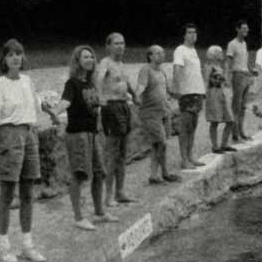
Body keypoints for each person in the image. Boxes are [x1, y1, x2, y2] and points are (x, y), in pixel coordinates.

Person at [0, 39, 46, 262]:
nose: (16, 58)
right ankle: (5, 247)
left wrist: (54, 111)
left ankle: (27, 244)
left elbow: (36, 105)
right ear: (4, 59)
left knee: (27, 192)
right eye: (11, 54)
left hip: (29, 135)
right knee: (7, 192)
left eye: (19, 53)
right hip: (9, 136)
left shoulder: (27, 81)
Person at [54, 45, 107, 230]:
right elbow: (65, 101)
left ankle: (99, 212)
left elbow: (96, 106)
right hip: (78, 135)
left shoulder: (90, 83)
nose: (90, 60)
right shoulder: (72, 83)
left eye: (91, 57)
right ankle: (78, 217)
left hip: (92, 133)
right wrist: (55, 112)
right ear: (77, 61)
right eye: (85, 57)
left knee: (99, 172)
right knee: (79, 174)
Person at [94, 33, 139, 204]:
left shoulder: (122, 65)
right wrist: (99, 99)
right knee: (112, 152)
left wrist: (135, 96)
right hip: (111, 107)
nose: (120, 46)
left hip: (123, 106)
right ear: (108, 46)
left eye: (122, 43)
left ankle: (120, 191)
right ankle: (108, 195)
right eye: (117, 43)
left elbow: (126, 84)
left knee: (122, 153)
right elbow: (98, 79)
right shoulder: (106, 63)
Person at [136, 45, 178, 184]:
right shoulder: (146, 70)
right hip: (150, 113)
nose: (161, 55)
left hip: (164, 112)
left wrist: (177, 95)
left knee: (158, 144)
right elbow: (141, 87)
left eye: (162, 52)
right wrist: (137, 96)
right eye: (157, 53)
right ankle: (156, 174)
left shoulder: (162, 71)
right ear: (150, 56)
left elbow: (166, 89)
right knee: (162, 142)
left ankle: (160, 174)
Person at [171, 24, 206, 168]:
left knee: (193, 126)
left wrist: (202, 91)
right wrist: (177, 87)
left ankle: (190, 155)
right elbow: (177, 69)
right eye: (189, 32)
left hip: (197, 92)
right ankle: (184, 158)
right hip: (187, 93)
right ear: (184, 35)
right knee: (184, 127)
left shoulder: (194, 51)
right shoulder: (180, 50)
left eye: (194, 32)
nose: (193, 35)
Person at [203, 45, 236, 154]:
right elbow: (207, 81)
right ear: (215, 54)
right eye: (220, 52)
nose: (222, 54)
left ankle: (224, 144)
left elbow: (226, 82)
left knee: (230, 120)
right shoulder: (209, 66)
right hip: (213, 94)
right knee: (215, 121)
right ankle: (215, 146)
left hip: (222, 94)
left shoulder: (220, 68)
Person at [225, 22, 252, 144]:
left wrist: (251, 71)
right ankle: (235, 134)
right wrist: (226, 76)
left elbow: (244, 62)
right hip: (238, 75)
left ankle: (241, 131)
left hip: (245, 75)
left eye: (247, 28)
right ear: (238, 29)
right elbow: (228, 61)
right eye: (244, 28)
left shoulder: (244, 44)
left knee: (243, 107)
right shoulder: (232, 44)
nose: (246, 30)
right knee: (236, 106)